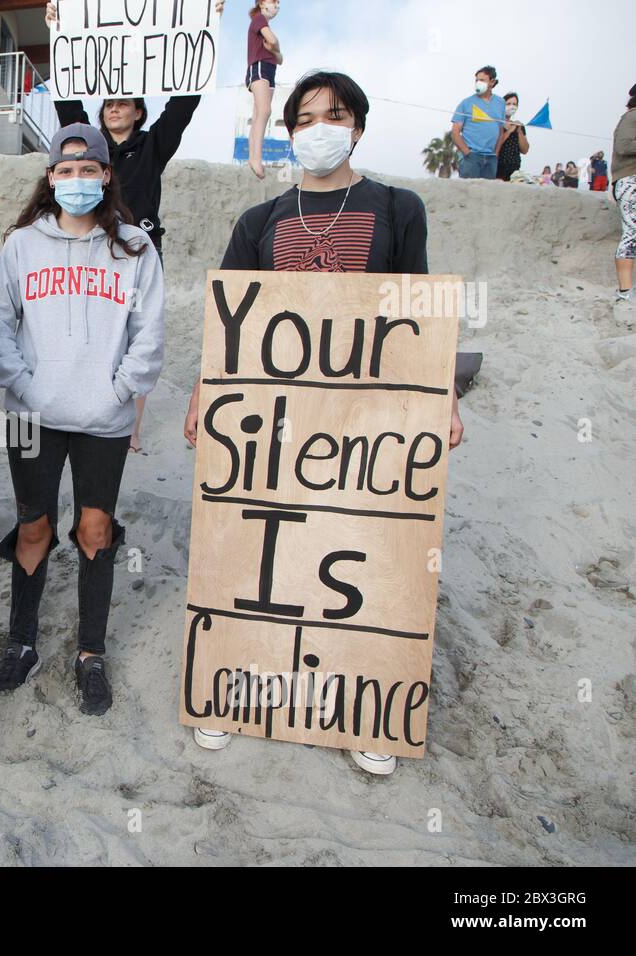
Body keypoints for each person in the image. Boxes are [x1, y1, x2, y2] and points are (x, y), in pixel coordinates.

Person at [182, 71, 465, 776]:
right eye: (304, 119)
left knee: (353, 552)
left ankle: (362, 707)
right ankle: (237, 688)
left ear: (358, 126)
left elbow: (418, 307)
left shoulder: (399, 208)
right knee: (262, 553)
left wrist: (444, 395)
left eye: (333, 115)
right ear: (288, 133)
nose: (319, 129)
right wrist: (201, 392)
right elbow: (231, 325)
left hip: (366, 422)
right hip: (273, 428)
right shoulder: (259, 222)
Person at [0, 123, 166, 718]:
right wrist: (24, 386)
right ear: (50, 177)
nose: (77, 179)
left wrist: (120, 391)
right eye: (66, 170)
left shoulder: (135, 248)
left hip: (103, 418)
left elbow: (149, 335)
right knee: (34, 527)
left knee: (94, 529)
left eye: (90, 170)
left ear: (107, 175)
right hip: (33, 416)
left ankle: (90, 653)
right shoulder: (21, 246)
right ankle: (23, 641)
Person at [45, 0, 220, 454]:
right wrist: (57, 31)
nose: (115, 107)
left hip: (140, 254)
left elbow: (184, 103)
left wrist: (206, 27)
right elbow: (67, 101)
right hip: (93, 249)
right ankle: (86, 407)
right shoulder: (91, 150)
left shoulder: (153, 146)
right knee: (96, 329)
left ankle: (131, 426)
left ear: (140, 112)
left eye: (124, 102)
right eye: (109, 102)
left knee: (138, 334)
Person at [244, 0, 283, 180]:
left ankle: (253, 157)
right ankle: (255, 158)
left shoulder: (264, 24)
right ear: (261, 3)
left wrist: (274, 49)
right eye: (273, 1)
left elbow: (280, 58)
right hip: (259, 66)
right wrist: (274, 46)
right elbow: (274, 41)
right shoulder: (259, 19)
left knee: (259, 113)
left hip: (270, 68)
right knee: (264, 111)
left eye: (278, 3)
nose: (276, 5)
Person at [451, 65, 506, 180]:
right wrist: (467, 153)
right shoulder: (466, 103)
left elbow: (500, 131)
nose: (478, 83)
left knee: (487, 196)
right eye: (476, 80)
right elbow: (455, 132)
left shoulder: (500, 103)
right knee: (468, 195)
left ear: (492, 82)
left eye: (482, 80)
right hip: (471, 158)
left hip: (491, 159)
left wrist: (496, 153)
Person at [612, 83, 636, 303]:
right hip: (629, 181)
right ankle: (625, 290)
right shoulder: (631, 117)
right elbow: (624, 146)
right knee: (632, 232)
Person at [494, 91, 530, 181]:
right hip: (498, 166)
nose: (512, 106)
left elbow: (525, 150)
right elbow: (493, 144)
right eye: (509, 103)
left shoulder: (519, 126)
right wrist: (509, 131)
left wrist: (519, 131)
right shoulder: (496, 123)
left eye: (514, 104)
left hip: (514, 169)